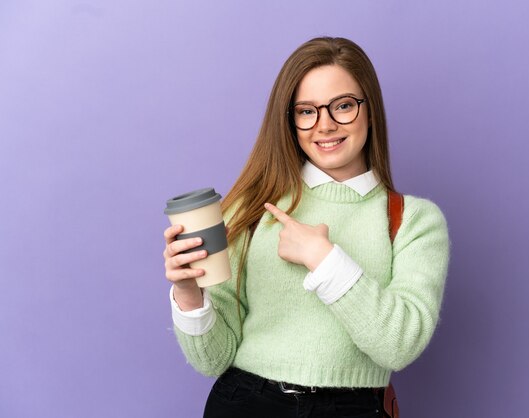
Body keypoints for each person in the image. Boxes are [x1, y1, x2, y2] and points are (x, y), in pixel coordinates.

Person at [162, 36, 450, 418]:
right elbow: (213, 360)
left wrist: (324, 258)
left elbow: (399, 346)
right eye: (306, 111)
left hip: (355, 408)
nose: (325, 125)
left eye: (343, 106)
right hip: (247, 402)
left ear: (370, 111)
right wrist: (188, 295)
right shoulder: (248, 211)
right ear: (291, 121)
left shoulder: (413, 220)